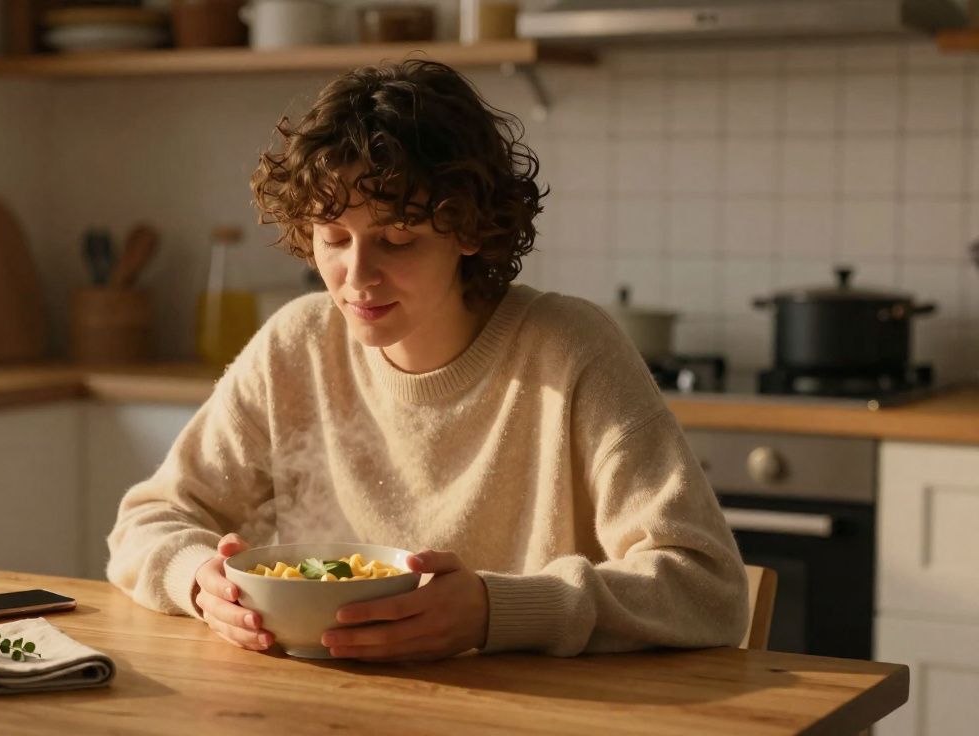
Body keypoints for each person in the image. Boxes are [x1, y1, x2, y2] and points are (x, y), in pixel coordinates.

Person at [106, 59, 749, 661]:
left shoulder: (570, 350)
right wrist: (199, 581)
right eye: (334, 239)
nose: (357, 276)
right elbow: (148, 520)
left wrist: (496, 610)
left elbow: (708, 589)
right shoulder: (297, 345)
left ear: (468, 229)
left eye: (397, 240)